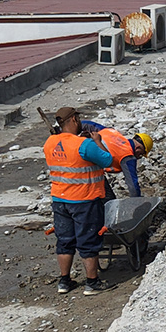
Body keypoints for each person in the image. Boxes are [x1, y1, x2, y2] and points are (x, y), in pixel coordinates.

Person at [44, 106, 116, 295]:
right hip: (85, 200)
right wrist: (98, 142)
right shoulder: (84, 145)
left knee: (65, 240)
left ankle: (64, 281)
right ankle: (92, 283)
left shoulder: (49, 143)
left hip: (60, 199)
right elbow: (108, 161)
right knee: (88, 240)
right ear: (74, 120)